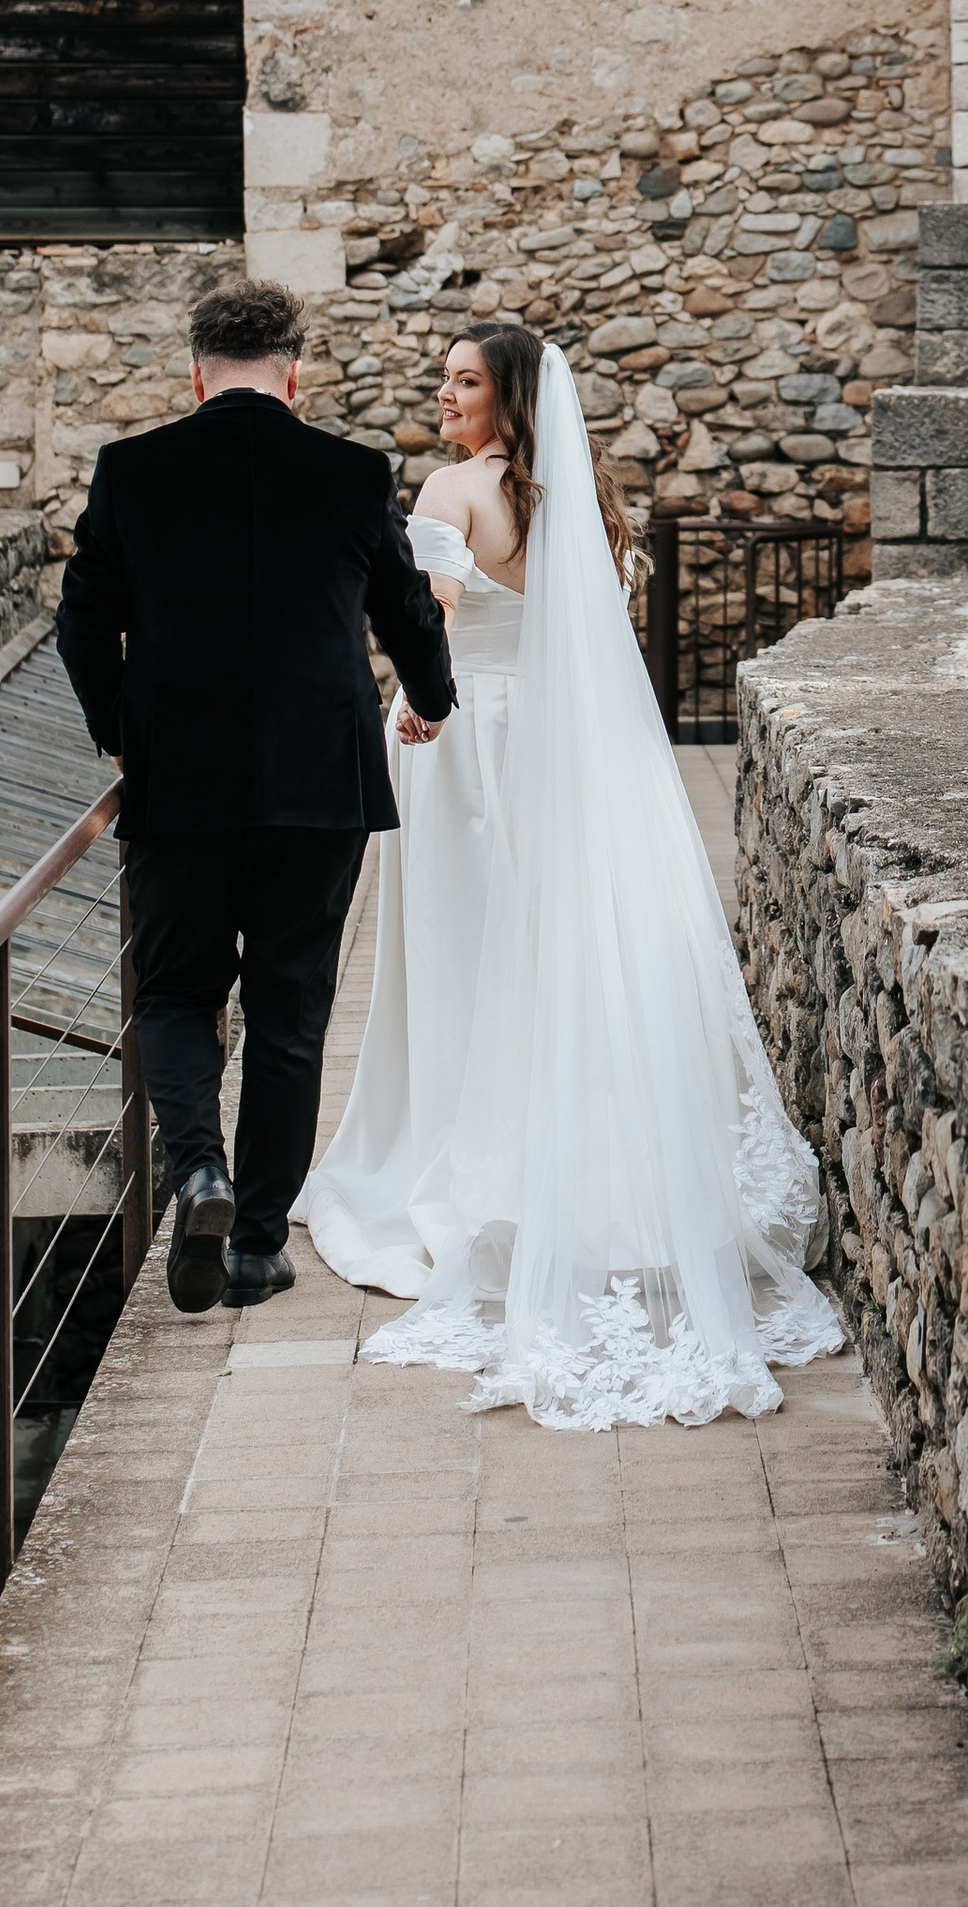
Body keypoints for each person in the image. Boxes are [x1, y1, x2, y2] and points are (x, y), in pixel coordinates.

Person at [299, 322, 841, 1428]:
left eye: (463, 382)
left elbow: (433, 620)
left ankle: (464, 1154)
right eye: (444, 379)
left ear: (506, 398)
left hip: (463, 738)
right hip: (558, 739)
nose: (444, 396)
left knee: (459, 944)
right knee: (557, 948)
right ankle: (583, 1163)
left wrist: (416, 706)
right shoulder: (576, 496)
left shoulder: (453, 490)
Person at [55, 274, 456, 1313]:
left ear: (196, 375)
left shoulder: (131, 469)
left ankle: (200, 1173)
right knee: (289, 1010)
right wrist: (434, 701)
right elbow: (407, 613)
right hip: (319, 784)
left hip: (179, 780)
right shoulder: (353, 472)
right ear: (295, 375)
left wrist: (123, 736)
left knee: (176, 993)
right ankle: (257, 1247)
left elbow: (82, 622)